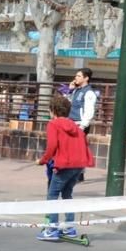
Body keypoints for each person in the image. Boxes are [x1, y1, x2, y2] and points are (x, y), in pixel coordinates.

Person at [35, 95, 94, 241]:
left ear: (53, 110)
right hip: (78, 165)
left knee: (52, 195)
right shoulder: (76, 127)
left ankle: (52, 229)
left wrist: (43, 160)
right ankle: (69, 227)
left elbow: (52, 146)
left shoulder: (53, 124)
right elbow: (83, 145)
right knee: (67, 195)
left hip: (64, 165)